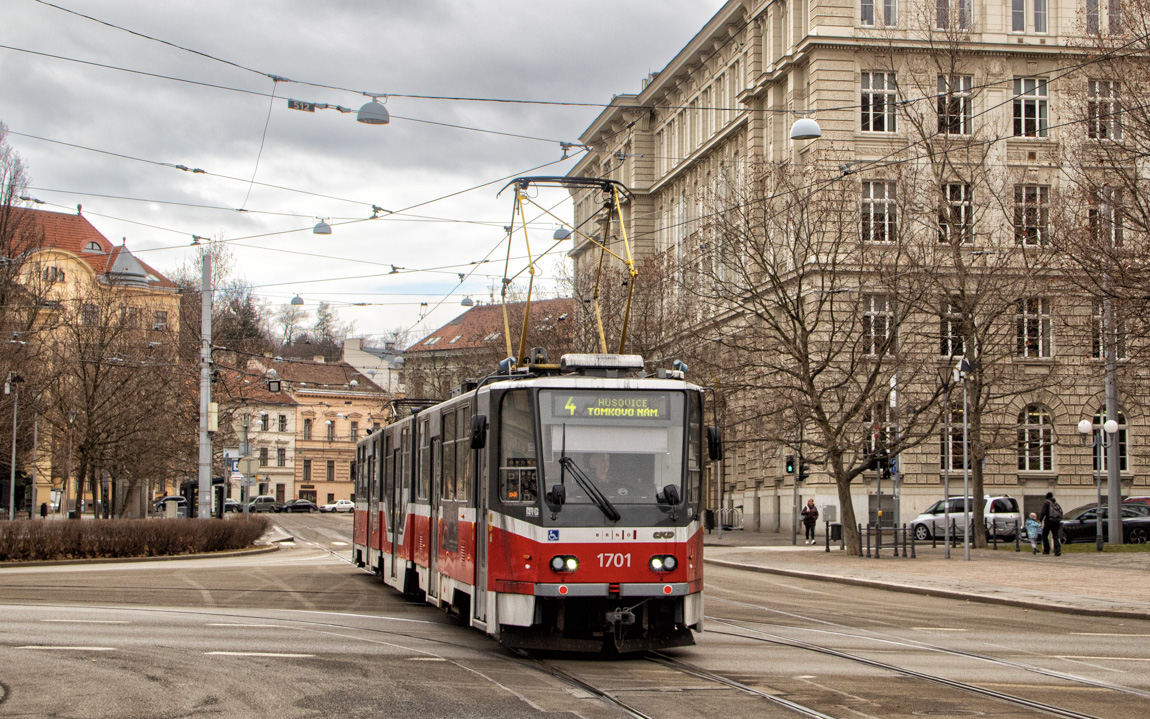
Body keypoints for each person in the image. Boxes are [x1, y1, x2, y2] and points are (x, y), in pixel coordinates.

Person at [1039, 491, 1063, 556]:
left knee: (1044, 535)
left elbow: (1043, 512)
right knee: (1055, 536)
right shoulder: (1056, 503)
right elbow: (1061, 512)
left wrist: (1040, 520)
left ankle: (1046, 550)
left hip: (1048, 521)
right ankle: (1057, 550)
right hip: (1056, 521)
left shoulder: (1046, 503)